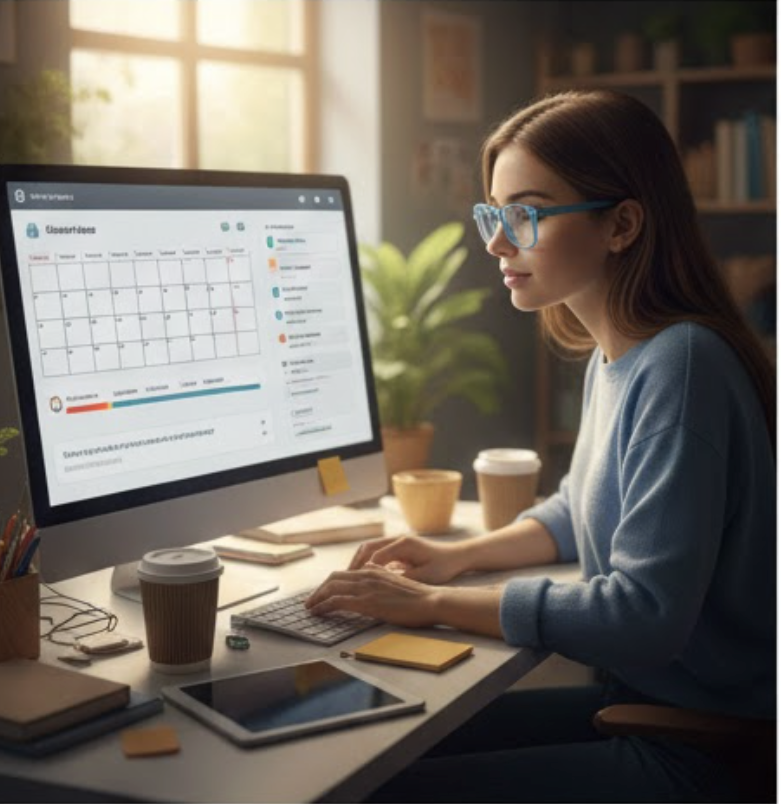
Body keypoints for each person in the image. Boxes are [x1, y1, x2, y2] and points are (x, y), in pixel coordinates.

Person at [305, 89, 776, 802]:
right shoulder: (621, 353)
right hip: (648, 707)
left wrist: (433, 601)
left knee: (371, 787)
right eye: (493, 214)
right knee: (373, 746)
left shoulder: (682, 367)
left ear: (621, 224)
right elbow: (576, 509)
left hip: (701, 749)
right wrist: (455, 557)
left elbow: (642, 615)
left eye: (523, 214)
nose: (496, 242)